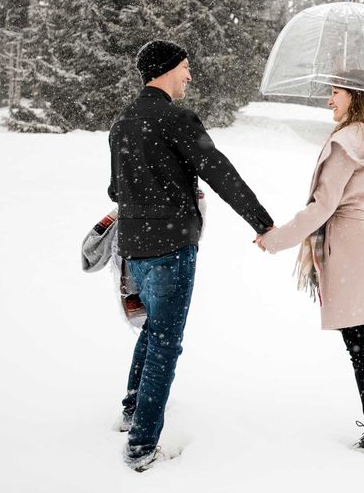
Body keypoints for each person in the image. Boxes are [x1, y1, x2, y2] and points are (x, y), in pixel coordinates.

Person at [108, 39, 274, 472]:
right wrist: (262, 221)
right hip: (170, 248)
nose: (190, 75)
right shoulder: (176, 119)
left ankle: (132, 408)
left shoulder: (123, 123)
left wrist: (161, 180)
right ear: (163, 70)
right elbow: (221, 172)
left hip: (133, 250)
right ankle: (142, 446)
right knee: (165, 343)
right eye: (184, 67)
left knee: (152, 330)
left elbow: (115, 190)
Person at [255, 70, 364, 465]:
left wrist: (275, 239)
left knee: (360, 343)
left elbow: (323, 207)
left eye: (335, 93)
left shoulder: (344, 143)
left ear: (356, 96)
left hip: (350, 244)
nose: (329, 100)